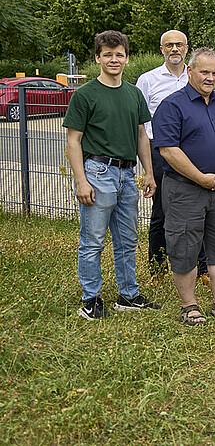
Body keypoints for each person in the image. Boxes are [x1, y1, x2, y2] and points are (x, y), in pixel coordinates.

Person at [65, 30, 160, 319]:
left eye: (119, 54)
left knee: (127, 239)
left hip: (127, 174)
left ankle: (128, 294)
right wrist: (81, 180)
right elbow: (73, 140)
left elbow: (142, 136)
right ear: (98, 58)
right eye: (107, 54)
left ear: (127, 58)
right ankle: (91, 299)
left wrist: (149, 173)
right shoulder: (85, 95)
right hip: (97, 172)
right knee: (93, 240)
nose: (114, 59)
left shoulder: (134, 94)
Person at [153, 47, 215, 325]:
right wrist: (200, 177)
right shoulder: (172, 105)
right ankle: (189, 306)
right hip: (185, 188)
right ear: (190, 71)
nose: (210, 78)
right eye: (204, 72)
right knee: (184, 245)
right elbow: (168, 150)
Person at [135, 29, 189, 278]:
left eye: (179, 44)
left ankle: (197, 266)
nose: (174, 49)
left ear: (187, 48)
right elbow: (141, 123)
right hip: (160, 152)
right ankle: (157, 267)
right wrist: (148, 166)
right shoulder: (148, 80)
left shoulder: (196, 76)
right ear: (161, 50)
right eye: (169, 45)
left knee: (195, 209)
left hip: (192, 150)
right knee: (161, 211)